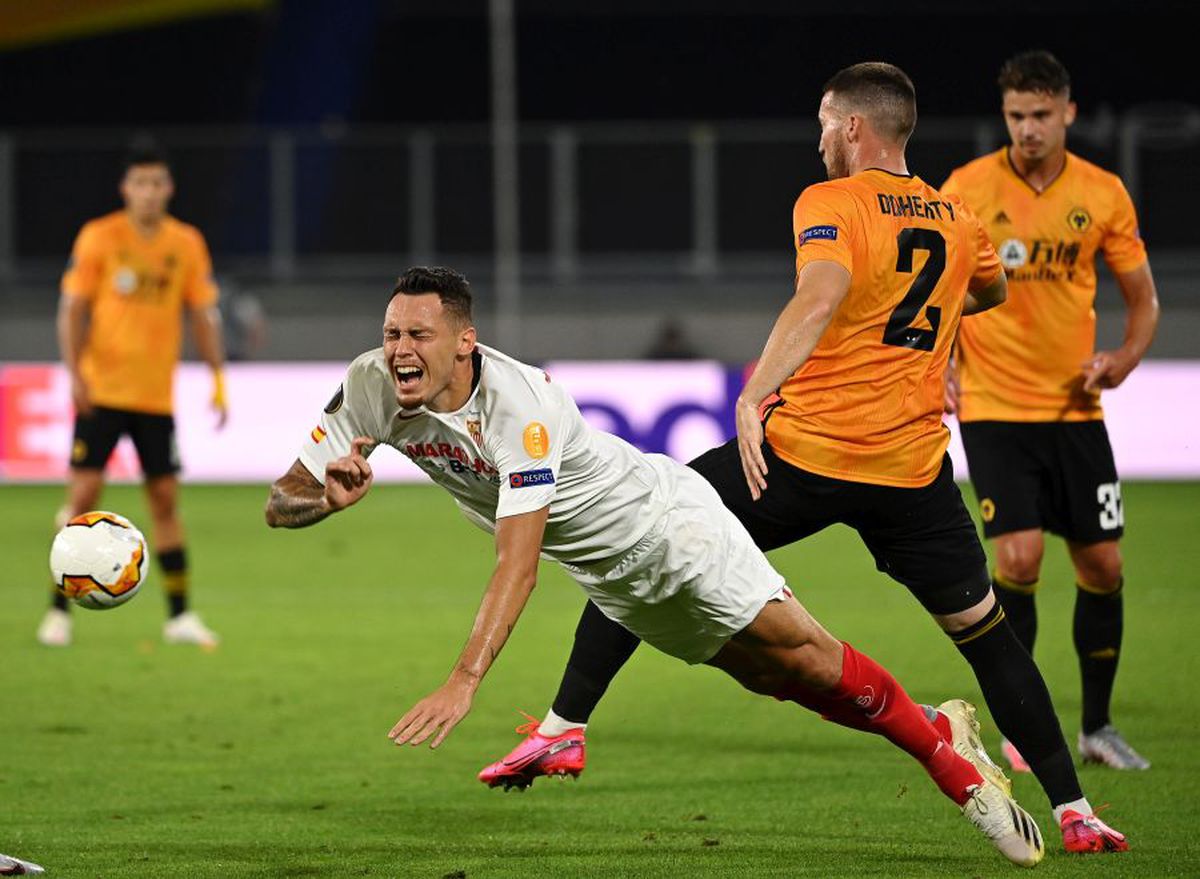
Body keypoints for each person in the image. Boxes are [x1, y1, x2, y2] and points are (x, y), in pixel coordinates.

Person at [481, 63, 1128, 854]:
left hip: (802, 456)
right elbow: (986, 293)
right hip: (912, 475)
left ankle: (563, 725)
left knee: (646, 533)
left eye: (825, 121)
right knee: (988, 636)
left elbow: (818, 295)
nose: (818, 136)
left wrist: (756, 393)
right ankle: (1076, 809)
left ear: (854, 127)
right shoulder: (959, 217)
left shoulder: (830, 202)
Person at [264, 266, 1045, 868]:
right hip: (618, 582)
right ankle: (937, 724)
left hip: (672, 529)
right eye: (393, 331)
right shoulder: (371, 384)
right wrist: (324, 503)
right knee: (779, 680)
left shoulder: (520, 405)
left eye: (419, 334)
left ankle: (957, 772)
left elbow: (519, 564)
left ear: (464, 341)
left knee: (810, 656)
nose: (400, 348)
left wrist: (466, 677)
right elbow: (282, 501)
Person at [941, 50, 1159, 774]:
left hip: (1075, 408)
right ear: (1003, 116)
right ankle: (1020, 728)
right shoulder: (967, 188)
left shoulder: (1102, 193)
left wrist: (1124, 356)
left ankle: (1097, 726)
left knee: (1102, 563)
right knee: (1019, 556)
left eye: (1040, 114)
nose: (1027, 128)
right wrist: (938, 363)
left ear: (1068, 111)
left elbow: (1143, 300)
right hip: (994, 404)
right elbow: (932, 287)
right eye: (1015, 116)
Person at [36, 139, 226, 649]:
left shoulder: (185, 243)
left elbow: (201, 313)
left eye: (157, 183)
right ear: (126, 188)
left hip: (155, 398)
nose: (148, 192)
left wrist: (217, 377)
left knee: (165, 500)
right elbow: (72, 309)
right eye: (139, 183)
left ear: (169, 188)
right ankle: (58, 614)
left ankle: (180, 616)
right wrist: (74, 373)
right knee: (83, 497)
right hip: (102, 391)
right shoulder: (100, 236)